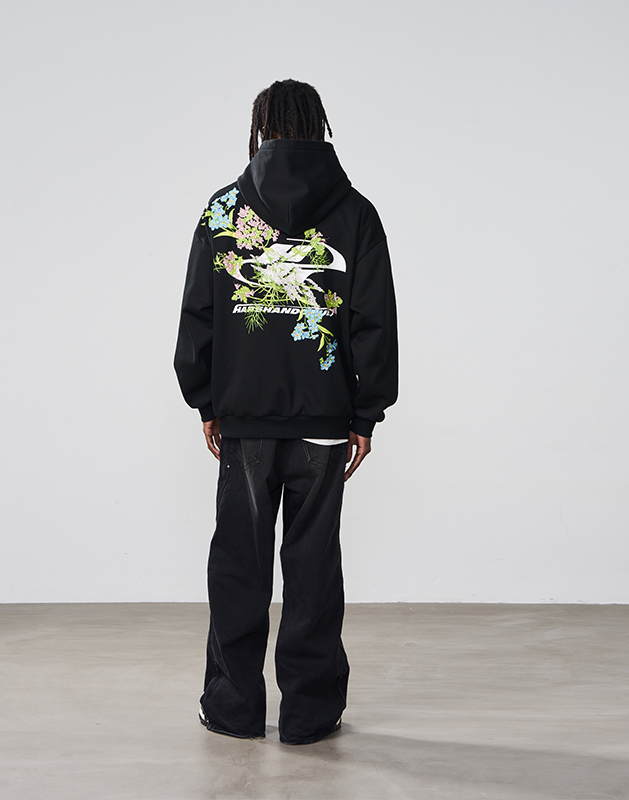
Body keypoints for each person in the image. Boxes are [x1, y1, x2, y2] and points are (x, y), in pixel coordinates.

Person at [173, 79, 398, 745]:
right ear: (317, 125)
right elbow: (374, 322)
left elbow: (199, 312)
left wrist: (206, 400)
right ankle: (310, 714)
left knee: (238, 563)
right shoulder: (355, 213)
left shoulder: (224, 209)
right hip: (324, 424)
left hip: (243, 423)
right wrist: (365, 414)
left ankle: (233, 708)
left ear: (261, 127)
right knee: (313, 565)